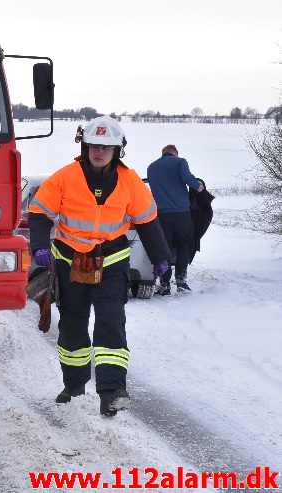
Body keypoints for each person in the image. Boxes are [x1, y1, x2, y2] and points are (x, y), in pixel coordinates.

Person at [28, 116, 170, 417]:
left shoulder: (130, 180)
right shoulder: (65, 177)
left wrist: (161, 258)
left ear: (117, 150)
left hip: (112, 263)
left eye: (107, 147)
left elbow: (147, 222)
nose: (99, 152)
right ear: (85, 146)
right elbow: (39, 213)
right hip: (71, 263)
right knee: (72, 325)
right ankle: (74, 386)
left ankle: (112, 391)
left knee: (110, 321)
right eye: (94, 145)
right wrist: (39, 246)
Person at [147, 144, 205, 295]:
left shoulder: (151, 167)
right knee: (183, 246)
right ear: (175, 153)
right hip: (182, 214)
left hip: (162, 216)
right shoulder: (180, 162)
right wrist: (198, 187)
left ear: (162, 154)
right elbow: (187, 178)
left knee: (165, 249)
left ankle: (165, 284)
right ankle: (181, 282)